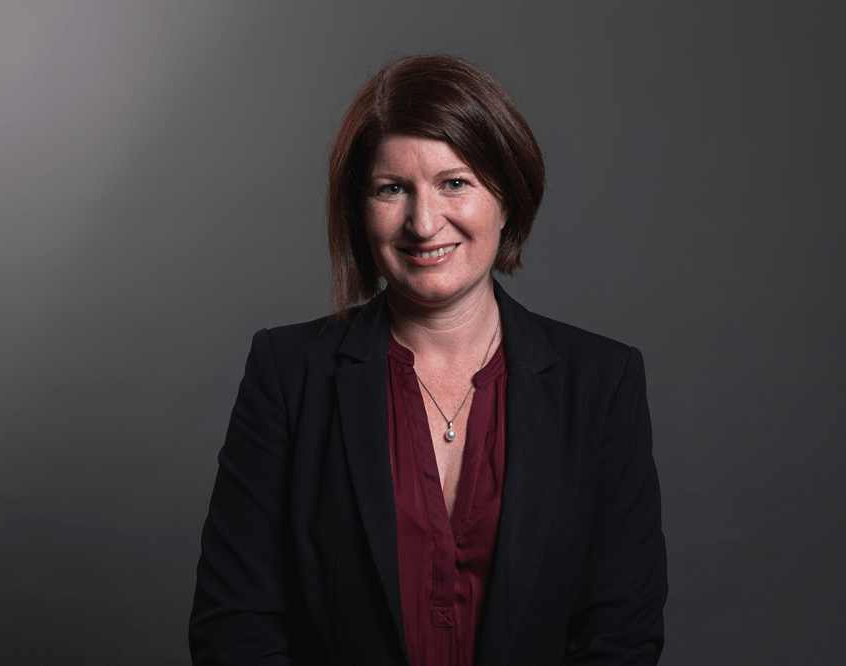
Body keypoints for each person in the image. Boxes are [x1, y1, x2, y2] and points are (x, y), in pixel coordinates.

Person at [189, 54, 667, 666]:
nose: (423, 221)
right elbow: (235, 630)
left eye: (455, 183)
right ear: (359, 212)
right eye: (392, 189)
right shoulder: (287, 374)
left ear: (507, 196)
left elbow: (621, 635)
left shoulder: (602, 383)